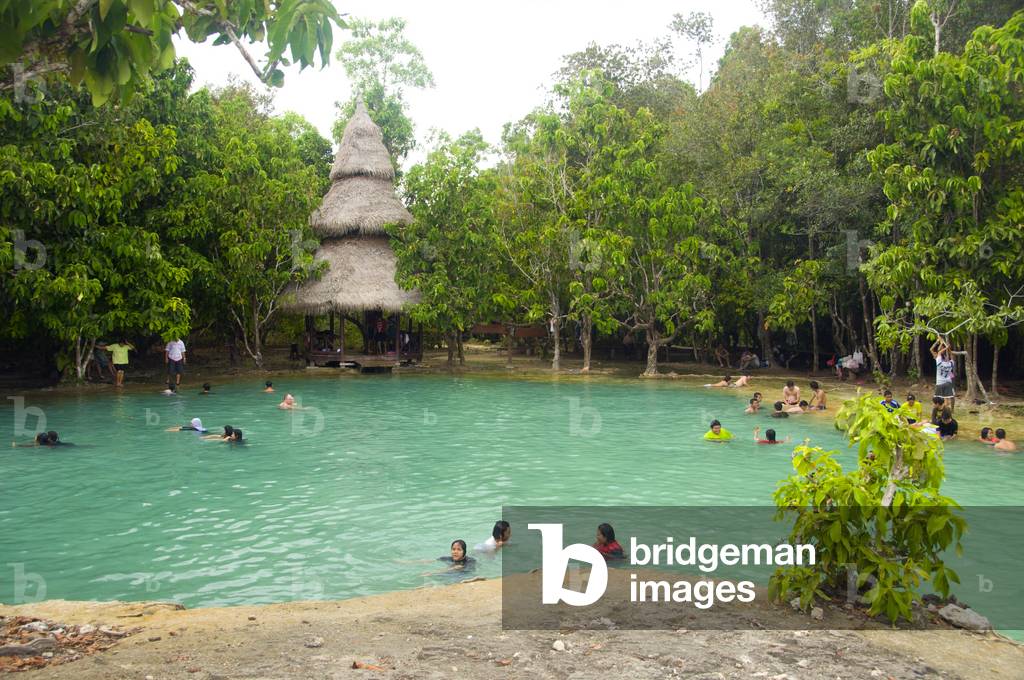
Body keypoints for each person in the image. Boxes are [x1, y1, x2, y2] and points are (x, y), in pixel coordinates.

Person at [930, 337, 956, 413]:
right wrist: (940, 342)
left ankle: (949, 410)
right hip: (946, 380)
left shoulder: (940, 361)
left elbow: (939, 352)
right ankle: (944, 410)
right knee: (944, 399)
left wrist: (943, 345)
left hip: (944, 380)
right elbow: (933, 350)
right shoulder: (948, 362)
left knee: (951, 397)